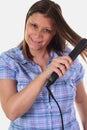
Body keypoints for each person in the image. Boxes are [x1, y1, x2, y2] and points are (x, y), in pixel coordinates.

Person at [0, 0, 87, 129]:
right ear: (26, 23)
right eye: (34, 25)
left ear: (54, 33)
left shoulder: (68, 59)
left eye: (46, 30)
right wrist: (45, 74)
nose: (37, 35)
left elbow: (81, 100)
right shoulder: (9, 60)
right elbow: (11, 112)